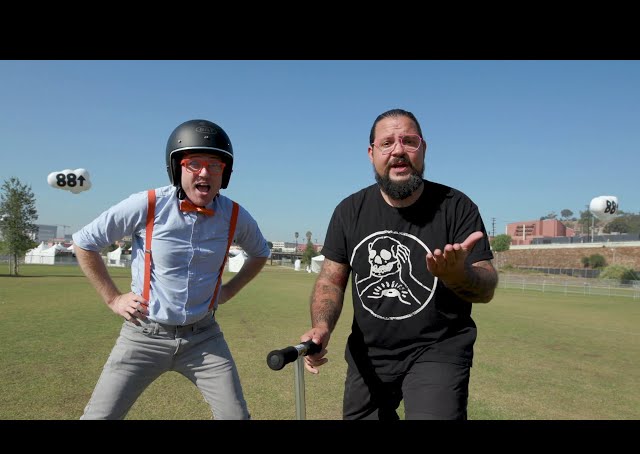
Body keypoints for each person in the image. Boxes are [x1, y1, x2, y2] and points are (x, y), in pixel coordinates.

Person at [299, 108, 498, 420]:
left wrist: (460, 274)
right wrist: (322, 327)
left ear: (423, 148)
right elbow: (330, 281)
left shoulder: (456, 207)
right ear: (371, 153)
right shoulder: (349, 211)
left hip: (438, 349)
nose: (398, 151)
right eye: (387, 143)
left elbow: (486, 286)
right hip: (369, 354)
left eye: (409, 141)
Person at [73, 119, 270, 420]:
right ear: (177, 167)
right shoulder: (148, 204)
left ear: (225, 173)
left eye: (215, 165)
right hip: (144, 335)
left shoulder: (235, 216)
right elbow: (85, 243)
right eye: (194, 164)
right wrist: (113, 298)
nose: (205, 172)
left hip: (204, 338)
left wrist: (228, 290)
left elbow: (260, 253)